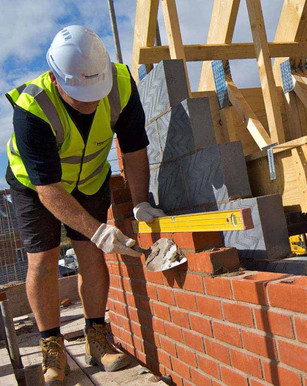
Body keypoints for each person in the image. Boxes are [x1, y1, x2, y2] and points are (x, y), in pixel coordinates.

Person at [5, 25, 165, 384]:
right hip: (36, 187)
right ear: (55, 78)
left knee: (92, 256)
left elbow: (135, 148)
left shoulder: (121, 84)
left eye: (97, 91)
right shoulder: (32, 107)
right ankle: (52, 347)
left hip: (90, 177)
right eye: (81, 96)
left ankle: (97, 337)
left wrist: (141, 203)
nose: (92, 103)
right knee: (43, 261)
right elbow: (48, 189)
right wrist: (99, 231)